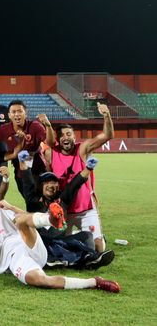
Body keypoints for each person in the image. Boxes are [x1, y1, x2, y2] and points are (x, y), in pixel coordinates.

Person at [0, 192, 120, 293]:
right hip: (16, 259)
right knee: (41, 281)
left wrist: (11, 207)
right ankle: (94, 282)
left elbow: (26, 217)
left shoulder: (1, 211)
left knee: (20, 221)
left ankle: (50, 219)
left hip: (29, 242)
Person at [19, 155, 114, 269]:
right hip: (41, 243)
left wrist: (88, 168)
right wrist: (22, 161)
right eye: (47, 182)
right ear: (41, 186)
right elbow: (27, 181)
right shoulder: (33, 201)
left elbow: (75, 184)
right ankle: (87, 258)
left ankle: (69, 260)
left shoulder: (62, 200)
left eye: (54, 182)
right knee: (49, 243)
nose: (51, 185)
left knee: (87, 236)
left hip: (61, 241)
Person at [47, 103, 113, 253]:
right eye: (62, 135)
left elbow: (107, 135)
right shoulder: (51, 153)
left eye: (68, 134)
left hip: (86, 209)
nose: (65, 137)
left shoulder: (81, 149)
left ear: (74, 136)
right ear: (57, 139)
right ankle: (78, 235)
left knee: (98, 249)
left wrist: (107, 116)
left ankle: (97, 237)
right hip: (63, 210)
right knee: (59, 247)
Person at [0, 101, 48, 194]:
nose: (17, 114)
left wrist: (48, 126)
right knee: (29, 203)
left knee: (42, 202)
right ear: (9, 115)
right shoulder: (4, 130)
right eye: (13, 112)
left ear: (25, 113)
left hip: (38, 172)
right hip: (20, 175)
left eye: (20, 111)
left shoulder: (35, 126)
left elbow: (50, 143)